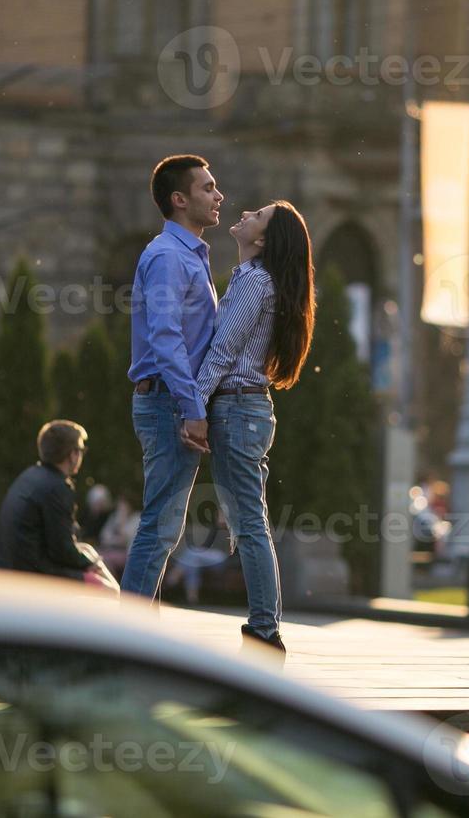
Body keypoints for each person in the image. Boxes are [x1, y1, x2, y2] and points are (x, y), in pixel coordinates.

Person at [191, 199, 316, 660]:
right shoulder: (253, 279)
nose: (244, 215)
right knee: (248, 524)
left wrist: (193, 407)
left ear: (262, 240)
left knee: (249, 525)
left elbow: (222, 352)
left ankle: (265, 632)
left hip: (238, 411)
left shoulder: (256, 282)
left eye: (257, 217)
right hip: (246, 412)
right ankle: (264, 628)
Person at [121, 155, 223, 602]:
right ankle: (131, 638)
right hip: (167, 403)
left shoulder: (189, 255)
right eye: (207, 188)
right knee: (161, 525)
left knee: (165, 526)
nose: (218, 196)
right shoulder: (167, 257)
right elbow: (165, 339)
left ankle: (137, 632)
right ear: (179, 200)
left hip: (170, 402)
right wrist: (192, 408)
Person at [0, 420, 118, 592]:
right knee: (110, 591)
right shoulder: (57, 487)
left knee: (87, 549)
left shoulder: (31, 475)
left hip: (12, 567)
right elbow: (62, 550)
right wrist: (90, 564)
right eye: (81, 450)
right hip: (32, 575)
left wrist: (88, 561)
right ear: (72, 455)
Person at [98, 495, 141, 580]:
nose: (120, 508)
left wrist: (121, 520)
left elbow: (125, 540)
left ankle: (113, 586)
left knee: (104, 561)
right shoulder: (114, 516)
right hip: (110, 550)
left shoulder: (137, 518)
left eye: (123, 506)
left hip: (127, 554)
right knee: (94, 556)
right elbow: (104, 536)